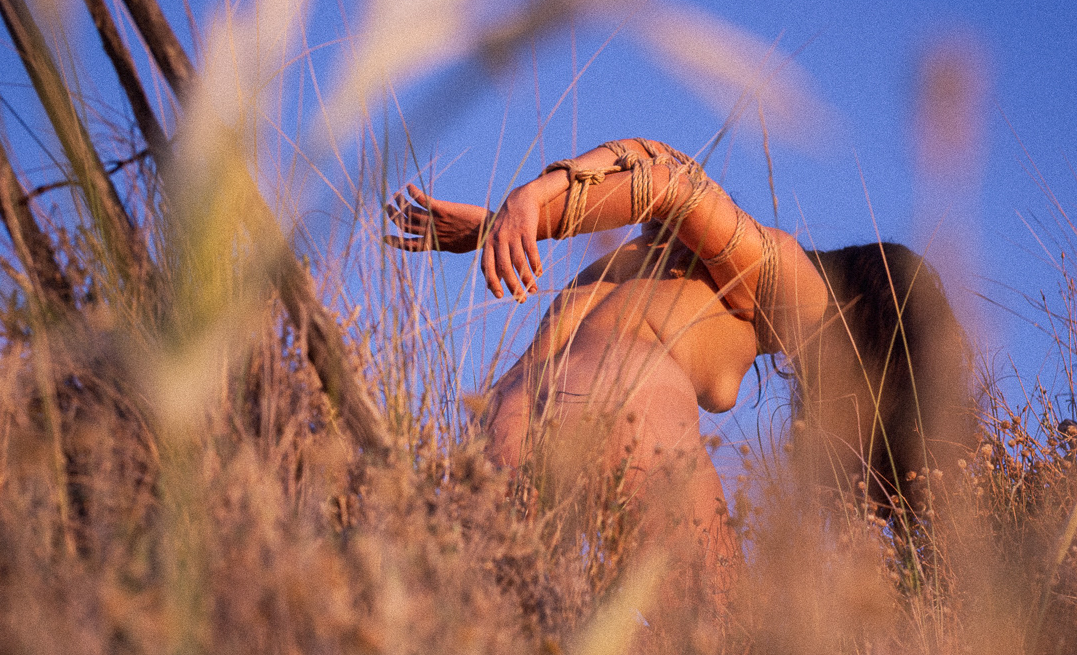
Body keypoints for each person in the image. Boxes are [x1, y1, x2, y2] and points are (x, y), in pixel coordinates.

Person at [386, 138, 970, 586]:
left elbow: (649, 157)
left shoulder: (660, 258)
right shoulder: (806, 291)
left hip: (506, 415)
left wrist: (506, 222)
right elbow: (672, 186)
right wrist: (529, 210)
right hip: (626, 401)